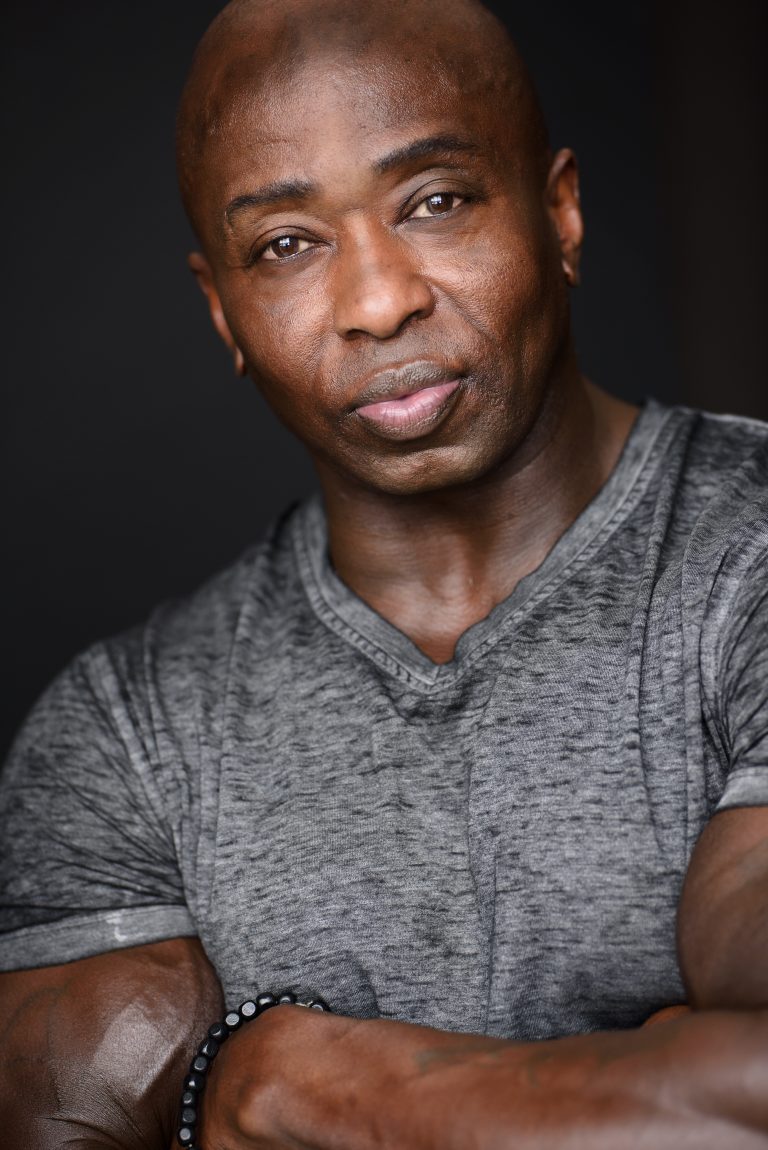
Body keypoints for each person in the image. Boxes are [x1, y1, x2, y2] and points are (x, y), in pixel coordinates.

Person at [1, 0, 767, 1146]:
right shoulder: (125, 738)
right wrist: (644, 1065)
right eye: (287, 244)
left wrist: (279, 1084)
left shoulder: (747, 550)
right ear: (222, 311)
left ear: (559, 209)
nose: (378, 300)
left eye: (436, 200)